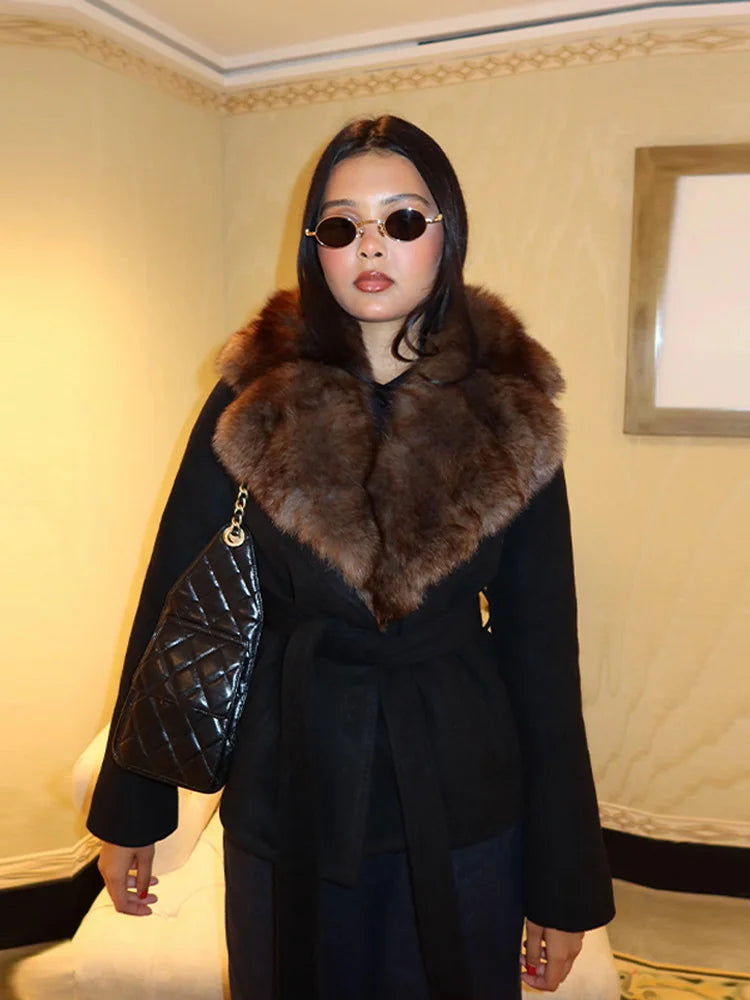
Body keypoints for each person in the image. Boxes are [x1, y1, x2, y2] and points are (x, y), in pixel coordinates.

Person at [88, 114, 615, 1000]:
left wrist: (564, 885)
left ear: (446, 233)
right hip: (289, 782)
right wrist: (132, 807)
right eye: (341, 225)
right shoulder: (254, 396)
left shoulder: (511, 409)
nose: (371, 244)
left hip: (461, 792)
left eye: (401, 219)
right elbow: (172, 605)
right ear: (316, 248)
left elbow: (542, 654)